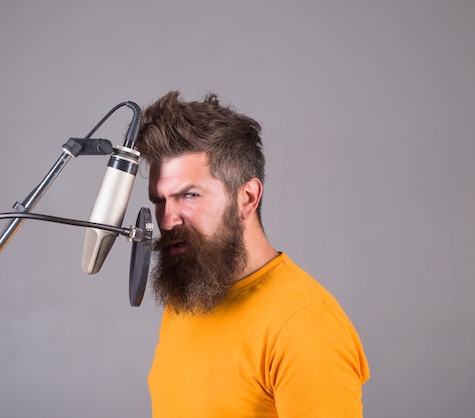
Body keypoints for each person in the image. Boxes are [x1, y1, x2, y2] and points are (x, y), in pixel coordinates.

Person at [135, 91, 370, 417]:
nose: (166, 220)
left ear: (247, 197)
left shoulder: (305, 326)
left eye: (189, 195)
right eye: (159, 200)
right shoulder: (190, 290)